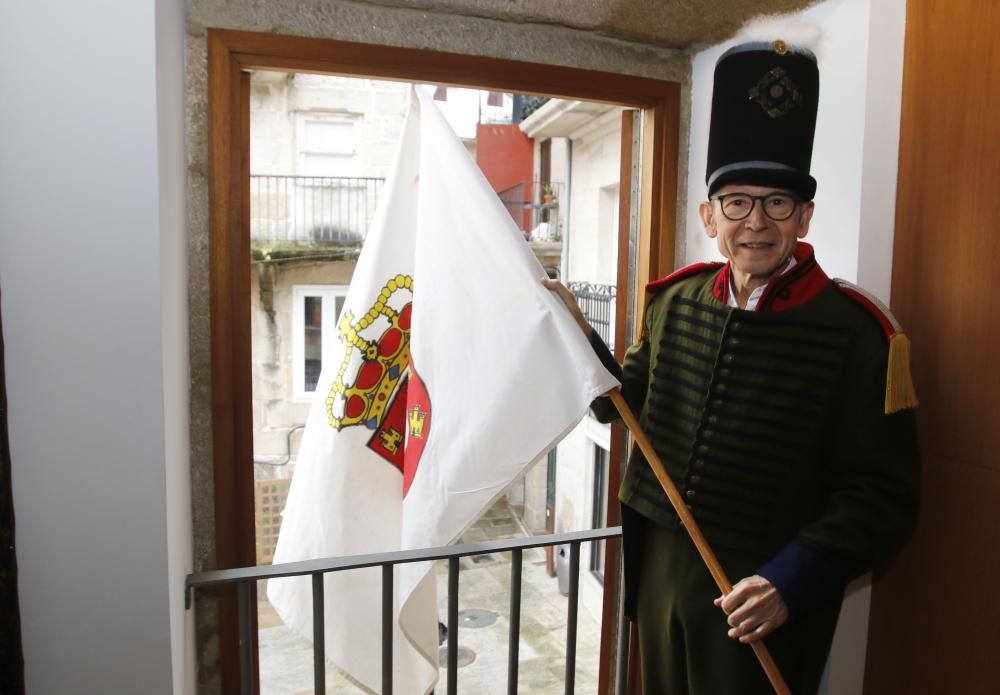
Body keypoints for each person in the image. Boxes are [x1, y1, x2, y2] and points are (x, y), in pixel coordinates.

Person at [545, 39, 920, 694]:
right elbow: (621, 402)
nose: (756, 222)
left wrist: (790, 580)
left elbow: (882, 496)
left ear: (803, 217)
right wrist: (576, 333)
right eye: (738, 202)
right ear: (709, 216)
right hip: (660, 566)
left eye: (777, 203)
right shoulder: (672, 300)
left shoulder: (861, 334)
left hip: (763, 592)